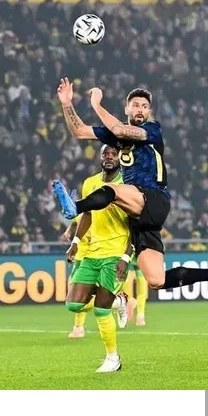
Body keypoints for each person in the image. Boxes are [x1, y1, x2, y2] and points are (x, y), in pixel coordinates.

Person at [52, 78, 208, 297]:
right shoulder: (116, 136)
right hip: (139, 216)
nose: (140, 109)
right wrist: (67, 104)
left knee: (112, 190)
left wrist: (96, 104)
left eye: (144, 106)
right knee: (156, 280)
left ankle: (75, 207)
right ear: (127, 109)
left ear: (149, 111)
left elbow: (120, 130)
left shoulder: (152, 130)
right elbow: (79, 131)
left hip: (154, 199)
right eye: (135, 105)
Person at [63, 144, 133, 373]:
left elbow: (136, 224)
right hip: (92, 252)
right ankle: (118, 300)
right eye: (106, 153)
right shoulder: (90, 183)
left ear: (120, 158)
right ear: (100, 157)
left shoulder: (128, 185)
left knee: (101, 310)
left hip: (116, 253)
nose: (109, 157)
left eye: (114, 154)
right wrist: (75, 241)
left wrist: (126, 256)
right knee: (73, 304)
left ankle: (113, 358)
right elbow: (87, 215)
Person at [123, 255, 149, 326]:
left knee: (128, 276)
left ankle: (130, 300)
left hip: (130, 252)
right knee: (141, 281)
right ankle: (140, 315)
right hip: (139, 252)